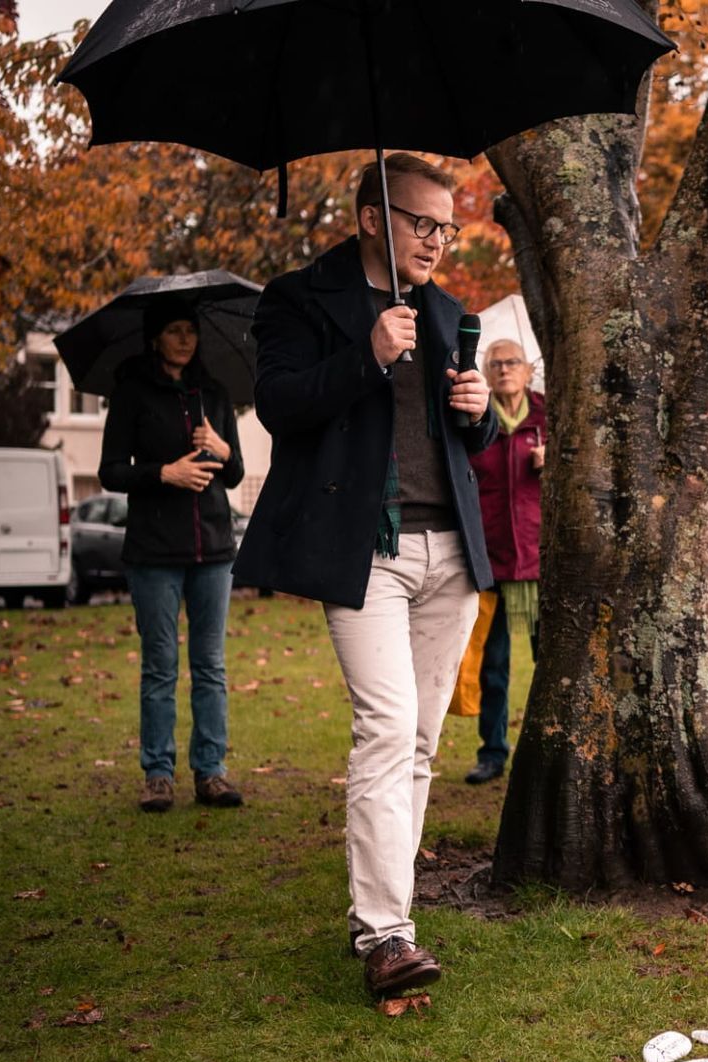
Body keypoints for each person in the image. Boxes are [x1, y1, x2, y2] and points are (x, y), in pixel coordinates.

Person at [233, 154, 496, 998]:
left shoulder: (447, 310)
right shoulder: (298, 300)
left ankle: (395, 908)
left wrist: (481, 414)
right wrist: (367, 353)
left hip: (450, 551)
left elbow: (471, 440)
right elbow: (278, 405)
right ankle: (383, 933)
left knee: (420, 743)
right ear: (374, 218)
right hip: (366, 551)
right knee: (385, 729)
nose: (439, 241)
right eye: (424, 223)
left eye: (448, 228)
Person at [98, 300, 247, 813]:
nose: (185, 339)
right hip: (154, 552)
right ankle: (157, 775)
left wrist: (224, 450)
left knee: (210, 666)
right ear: (155, 338)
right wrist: (164, 473)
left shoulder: (216, 395)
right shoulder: (133, 394)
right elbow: (111, 471)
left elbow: (236, 474)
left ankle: (211, 772)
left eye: (191, 331)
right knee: (160, 666)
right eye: (174, 331)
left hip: (213, 551)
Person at [462, 338, 544, 785]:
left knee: (546, 663)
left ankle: (545, 751)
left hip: (535, 561)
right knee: (493, 665)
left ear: (529, 370)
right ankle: (492, 752)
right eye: (494, 364)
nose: (503, 369)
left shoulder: (547, 415)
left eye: (512, 362)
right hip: (490, 561)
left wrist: (557, 462)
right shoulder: (477, 416)